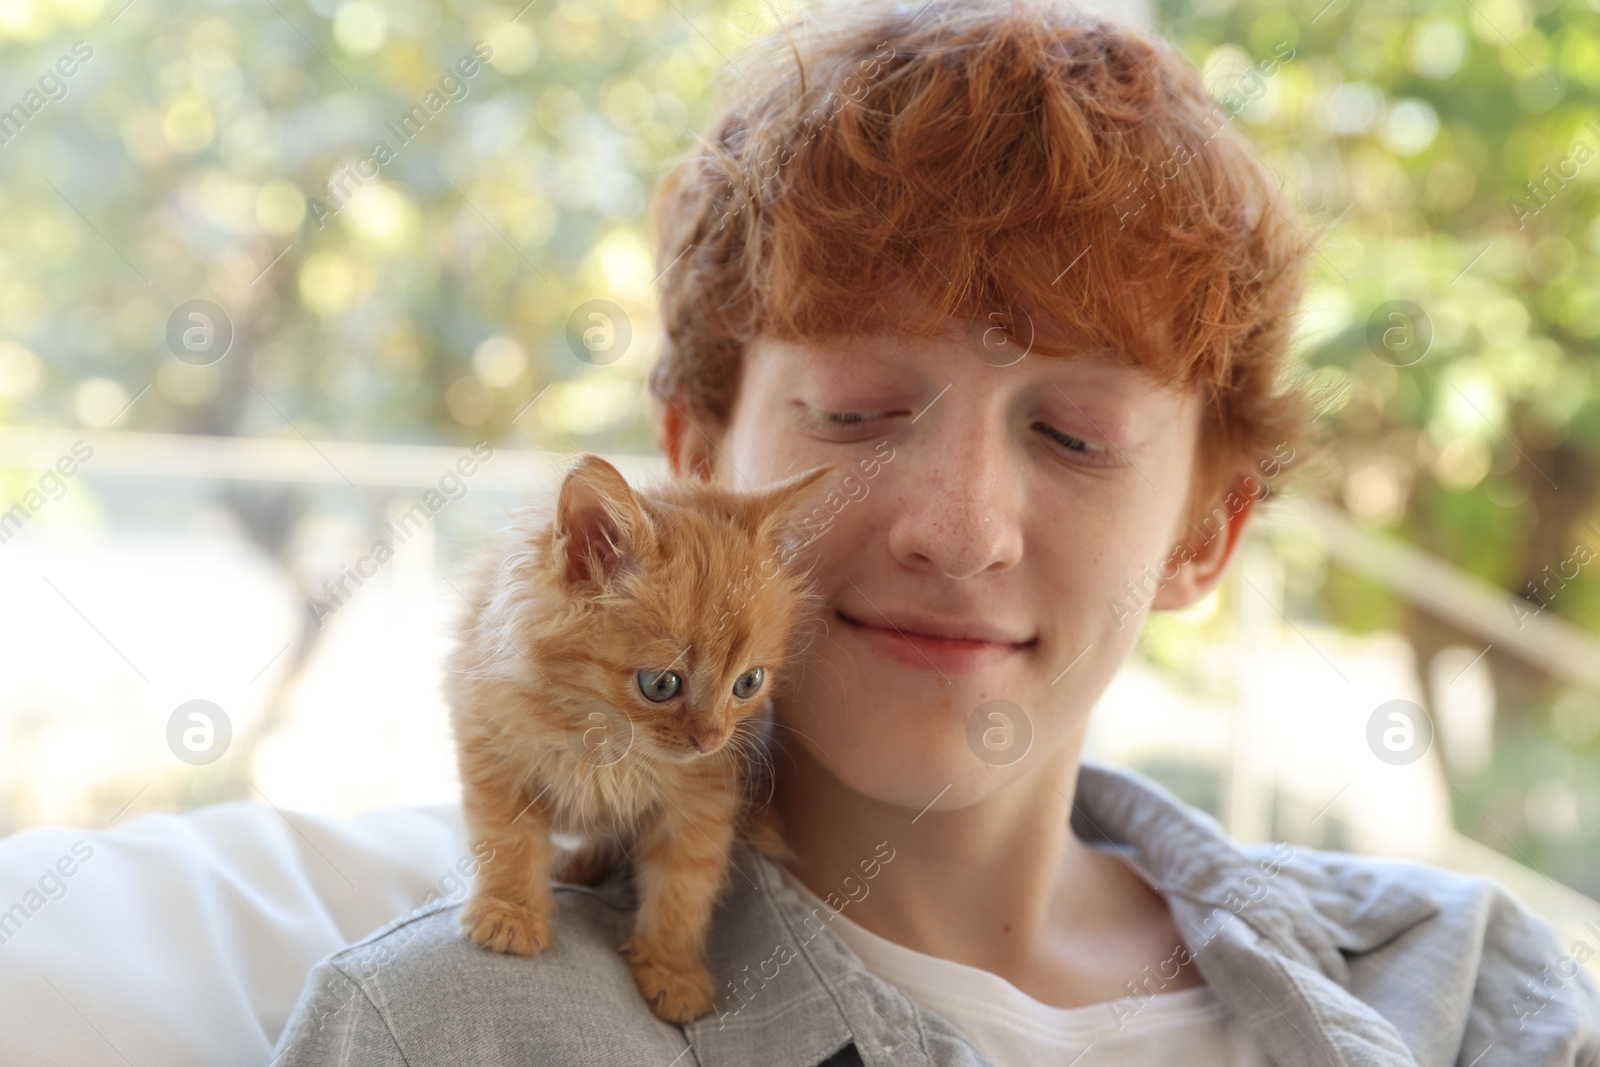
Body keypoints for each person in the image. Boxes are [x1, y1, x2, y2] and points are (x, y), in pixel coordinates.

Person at [269, 1, 1600, 1063]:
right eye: (854, 413)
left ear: (1208, 533)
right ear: (691, 465)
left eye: (1074, 437)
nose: (957, 530)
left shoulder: (1477, 994)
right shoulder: (462, 1033)